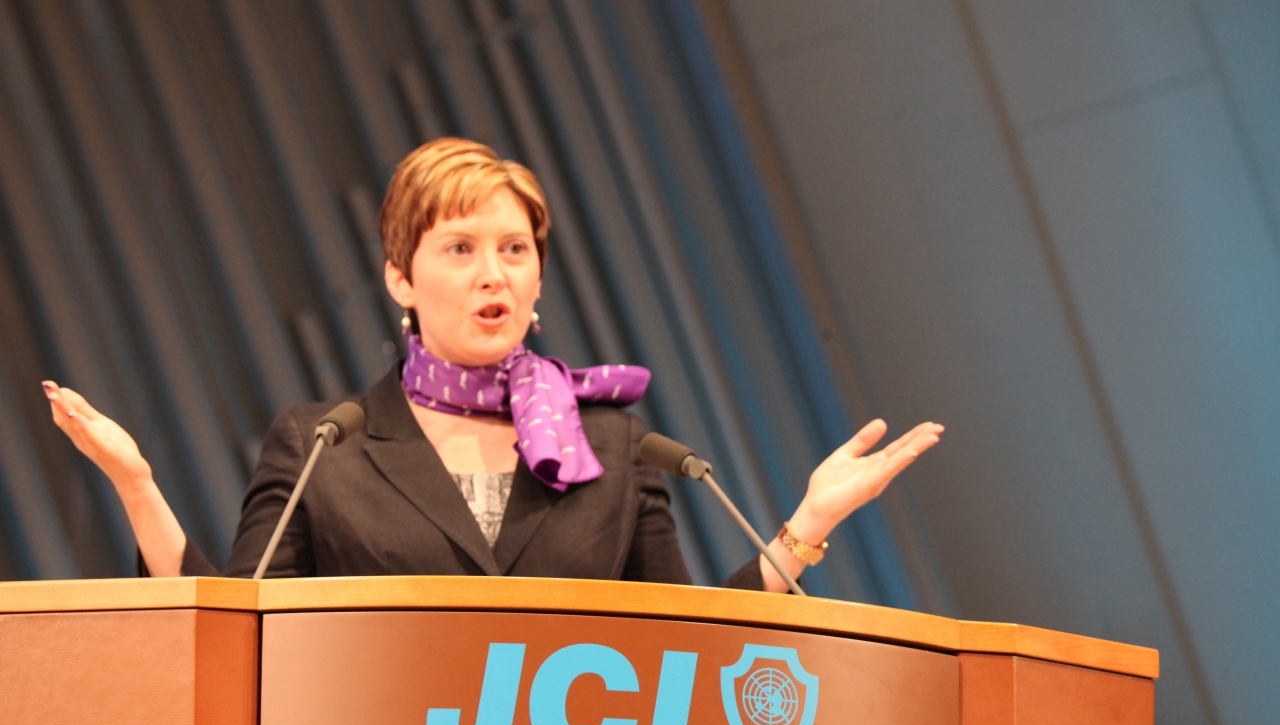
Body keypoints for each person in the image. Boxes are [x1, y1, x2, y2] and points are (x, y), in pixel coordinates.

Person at [43, 138, 942, 592]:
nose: (493, 273)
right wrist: (138, 487)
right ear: (401, 278)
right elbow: (234, 636)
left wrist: (803, 528)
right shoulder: (325, 448)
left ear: (539, 277)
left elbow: (691, 652)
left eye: (514, 249)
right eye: (460, 247)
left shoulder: (614, 447)